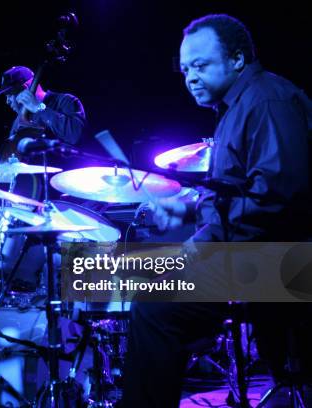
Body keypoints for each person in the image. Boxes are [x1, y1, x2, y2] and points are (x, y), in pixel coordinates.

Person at [121, 14, 312, 407]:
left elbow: (277, 198)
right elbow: (235, 191)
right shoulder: (235, 108)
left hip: (288, 263)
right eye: (186, 68)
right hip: (259, 258)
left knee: (154, 303)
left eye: (201, 65)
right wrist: (188, 209)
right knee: (127, 275)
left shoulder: (266, 101)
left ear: (237, 58)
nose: (190, 77)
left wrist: (204, 243)